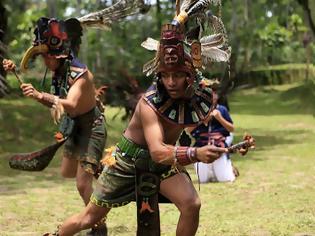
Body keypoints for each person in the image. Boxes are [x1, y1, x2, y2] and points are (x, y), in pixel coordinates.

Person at [52, 4, 231, 235]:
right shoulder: (149, 103)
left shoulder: (195, 96)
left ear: (190, 75)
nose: (171, 82)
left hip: (162, 164)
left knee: (191, 204)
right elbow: (157, 150)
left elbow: (191, 126)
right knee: (89, 218)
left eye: (177, 75)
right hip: (127, 163)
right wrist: (196, 153)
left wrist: (225, 146)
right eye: (165, 75)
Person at [3, 17, 107, 235]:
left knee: (82, 183)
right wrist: (36, 96)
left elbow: (71, 103)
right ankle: (102, 168)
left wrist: (41, 94)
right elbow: (58, 103)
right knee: (67, 171)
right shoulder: (59, 73)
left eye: (45, 56)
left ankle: (99, 225)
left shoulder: (80, 73)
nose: (44, 61)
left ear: (57, 55)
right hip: (75, 126)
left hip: (92, 128)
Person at [180, 100, 237, 183]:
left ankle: (229, 168)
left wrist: (219, 118)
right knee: (203, 180)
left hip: (219, 147)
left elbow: (231, 129)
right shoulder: (196, 110)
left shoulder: (222, 109)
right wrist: (201, 119)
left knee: (225, 179)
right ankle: (214, 171)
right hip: (201, 148)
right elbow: (188, 130)